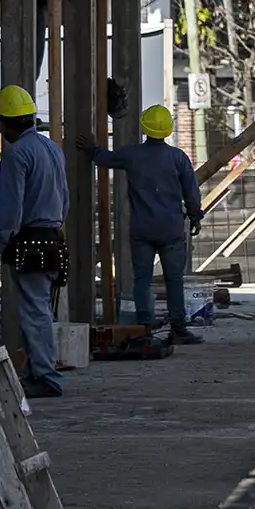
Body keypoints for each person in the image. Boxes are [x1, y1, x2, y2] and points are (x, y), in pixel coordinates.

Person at [78, 105, 205, 344]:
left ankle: (143, 328)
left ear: (144, 128)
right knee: (174, 280)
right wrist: (195, 216)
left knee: (142, 280)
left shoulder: (132, 155)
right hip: (171, 229)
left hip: (142, 229)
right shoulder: (178, 158)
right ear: (168, 129)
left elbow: (105, 158)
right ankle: (178, 328)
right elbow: (191, 193)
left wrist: (91, 148)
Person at [0, 86, 68, 399]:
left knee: (35, 311)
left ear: (6, 123)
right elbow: (65, 200)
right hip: (51, 239)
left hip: (29, 242)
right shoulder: (52, 149)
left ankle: (46, 377)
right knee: (40, 309)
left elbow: (10, 211)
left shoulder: (16, 154)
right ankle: (38, 370)